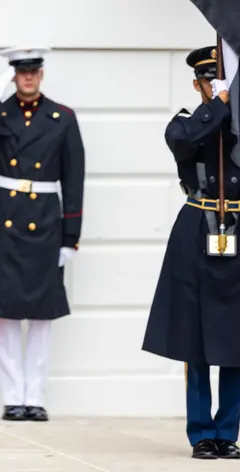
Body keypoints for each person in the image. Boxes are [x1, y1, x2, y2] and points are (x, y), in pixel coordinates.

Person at [0, 46, 85, 423]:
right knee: (5, 311)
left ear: (41, 74)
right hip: (3, 218)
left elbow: (74, 180)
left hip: (45, 217)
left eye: (33, 71)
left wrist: (70, 236)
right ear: (12, 76)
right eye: (20, 72)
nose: (27, 78)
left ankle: (36, 396)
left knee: (41, 314)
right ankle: (14, 397)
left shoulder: (62, 116)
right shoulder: (0, 112)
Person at [142, 45, 240, 461]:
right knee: (195, 340)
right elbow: (187, 140)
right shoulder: (184, 122)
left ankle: (227, 431)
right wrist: (217, 105)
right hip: (198, 228)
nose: (213, 87)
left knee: (236, 342)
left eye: (221, 81)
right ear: (197, 84)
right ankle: (202, 433)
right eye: (207, 81)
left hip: (236, 230)